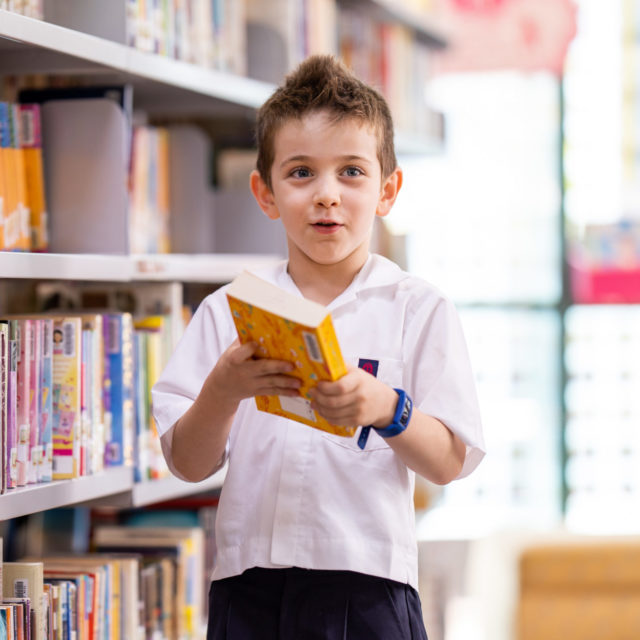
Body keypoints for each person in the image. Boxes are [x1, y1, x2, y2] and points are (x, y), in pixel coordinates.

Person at [152, 54, 485, 640]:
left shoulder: (418, 308)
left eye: (351, 172)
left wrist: (389, 407)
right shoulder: (226, 312)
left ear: (388, 190)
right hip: (248, 587)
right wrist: (223, 391)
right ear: (266, 192)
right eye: (301, 172)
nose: (326, 195)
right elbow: (187, 461)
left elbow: (450, 461)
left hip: (368, 587)